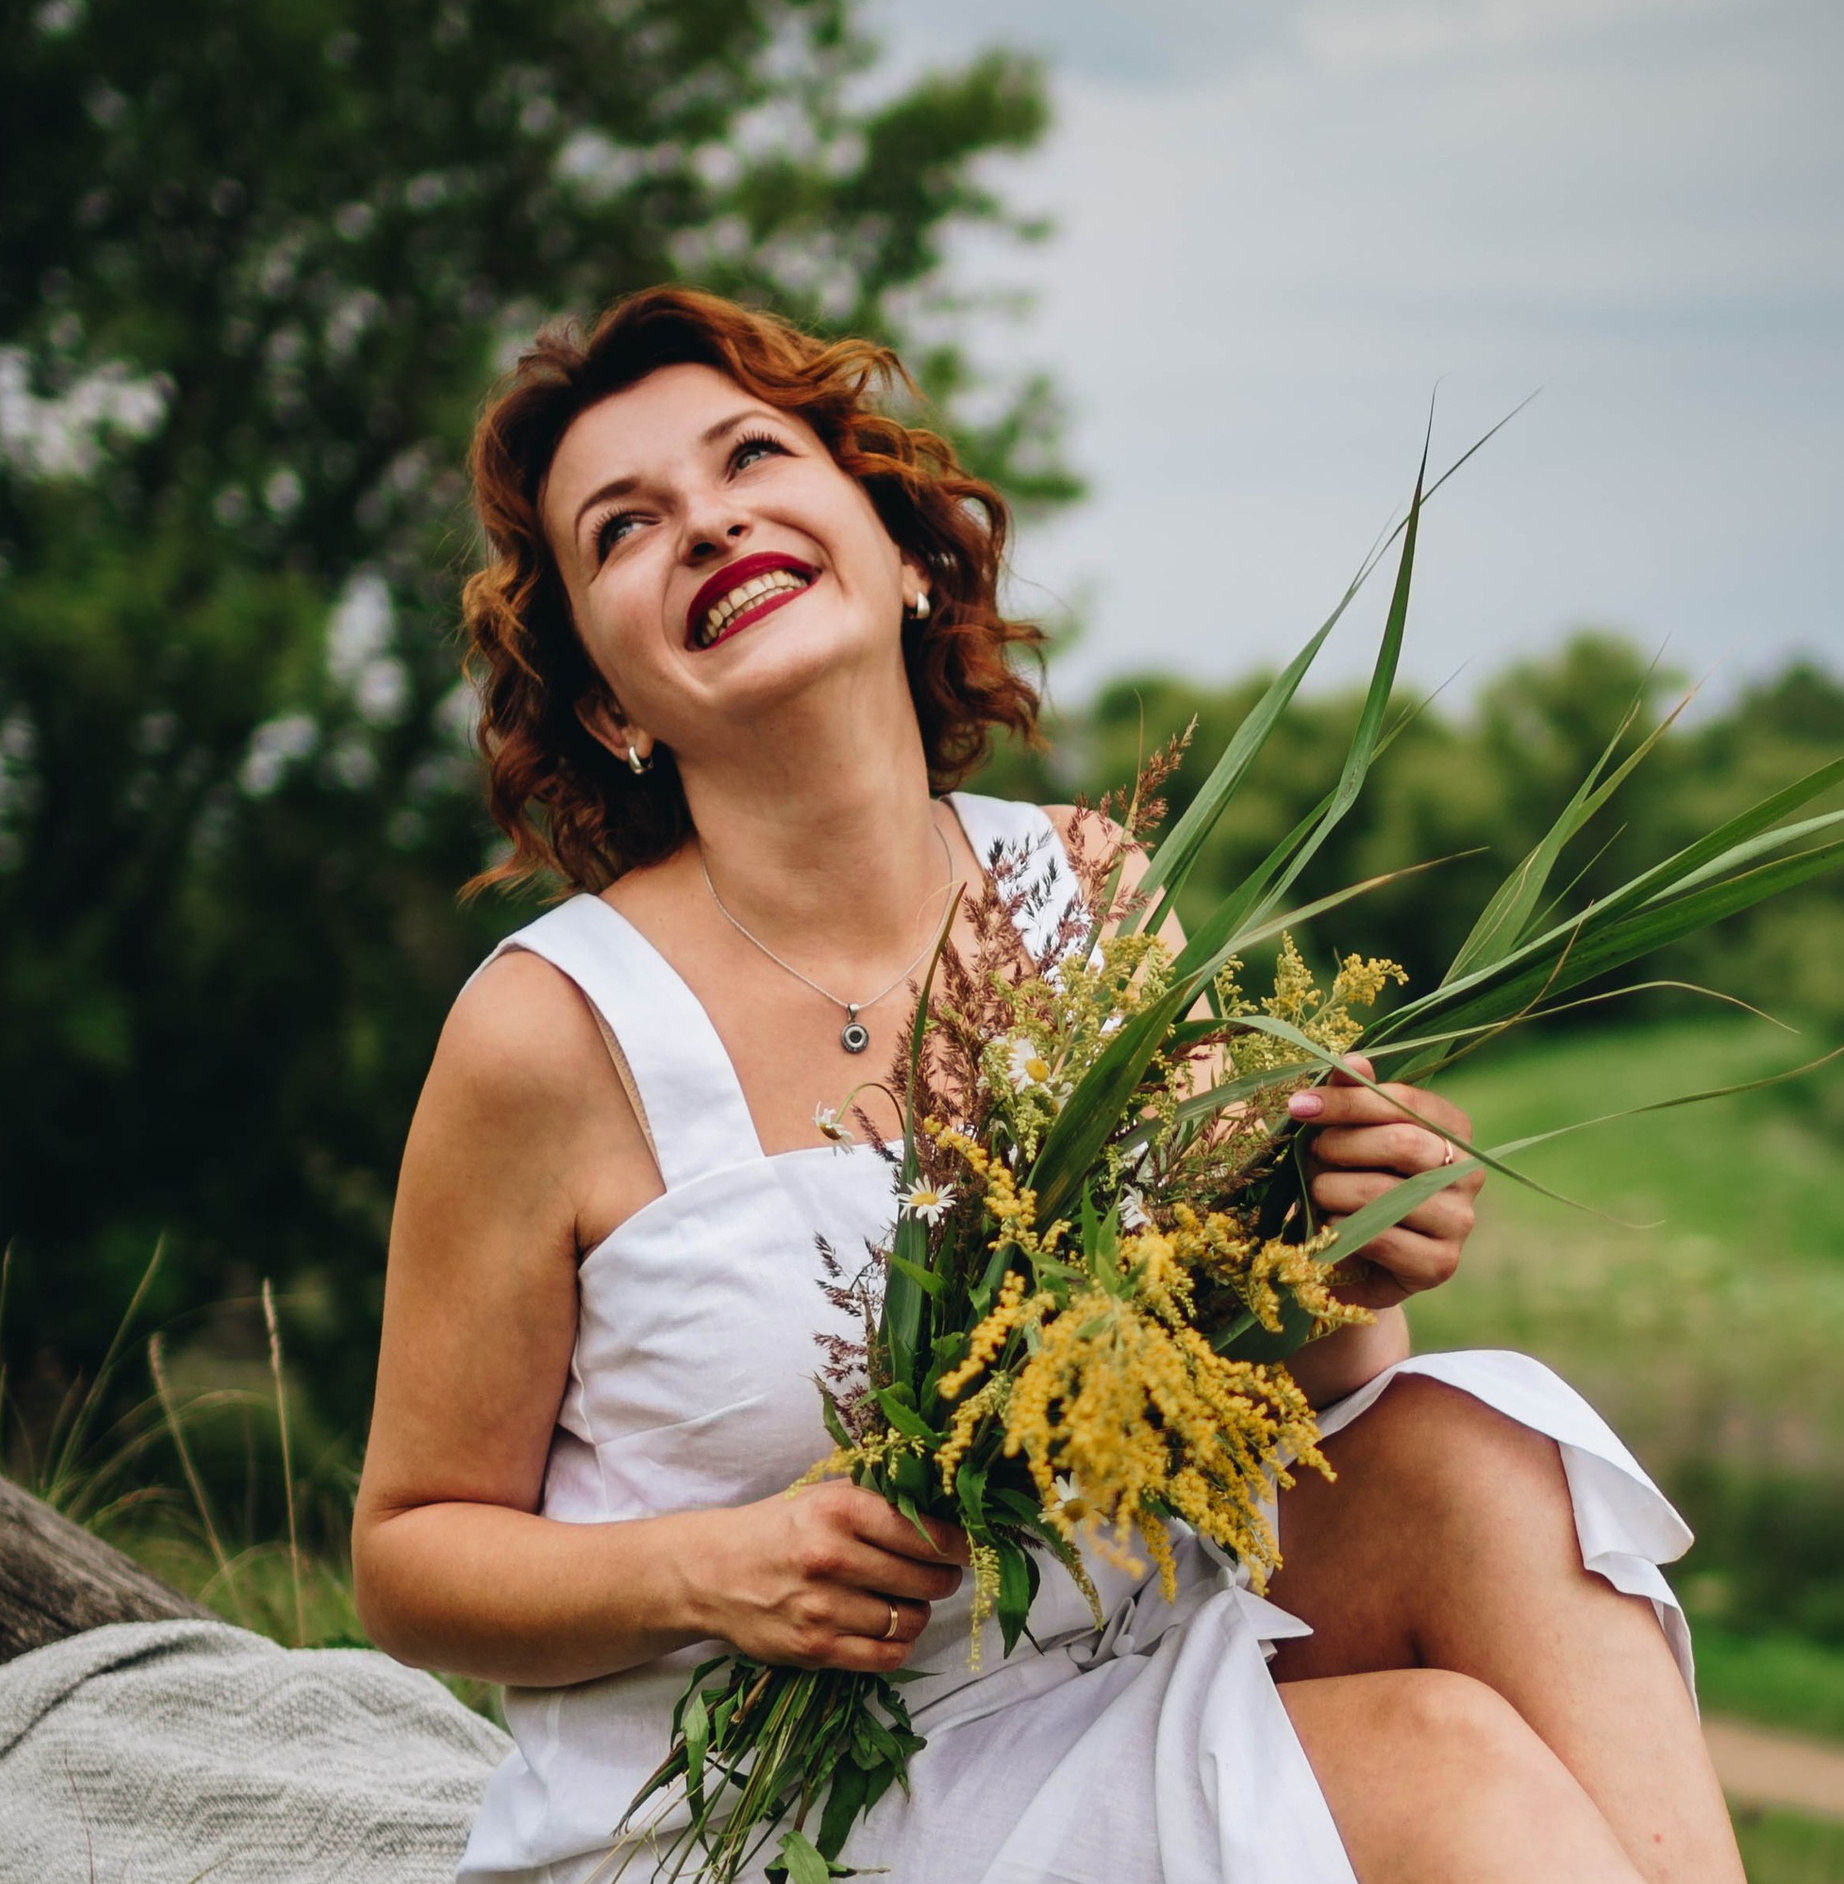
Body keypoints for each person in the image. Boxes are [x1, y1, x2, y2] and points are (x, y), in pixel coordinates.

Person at [349, 287, 1743, 1884]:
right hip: (779, 1795)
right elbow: (408, 1560)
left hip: (1118, 1675)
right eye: (625, 529)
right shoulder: (550, 1032)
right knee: (1443, 1769)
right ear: (609, 706)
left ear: (899, 552)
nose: (709, 521)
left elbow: (1301, 1391)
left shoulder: (1089, 890)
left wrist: (1345, 1247)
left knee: (1474, 1457)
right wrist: (707, 1571)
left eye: (749, 458)